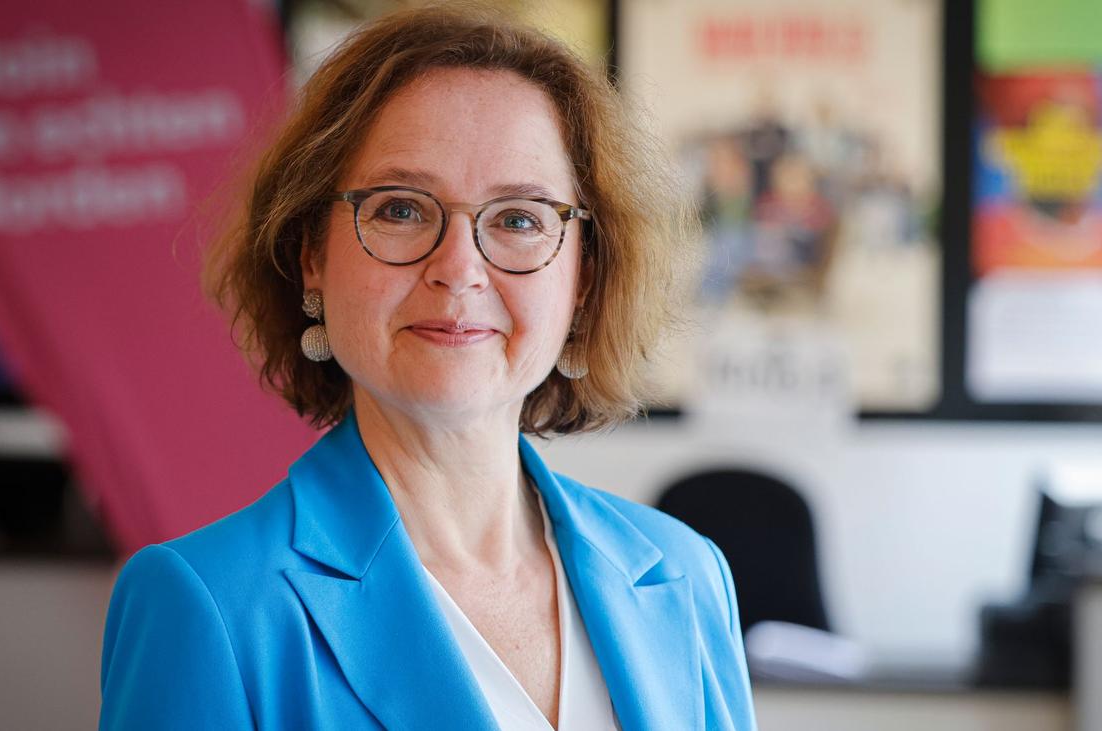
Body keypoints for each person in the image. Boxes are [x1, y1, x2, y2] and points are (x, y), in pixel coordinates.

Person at [99, 6, 755, 730]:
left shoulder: (686, 573)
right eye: (402, 210)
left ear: (584, 278)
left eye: (519, 218)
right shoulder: (208, 604)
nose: (459, 268)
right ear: (312, 256)